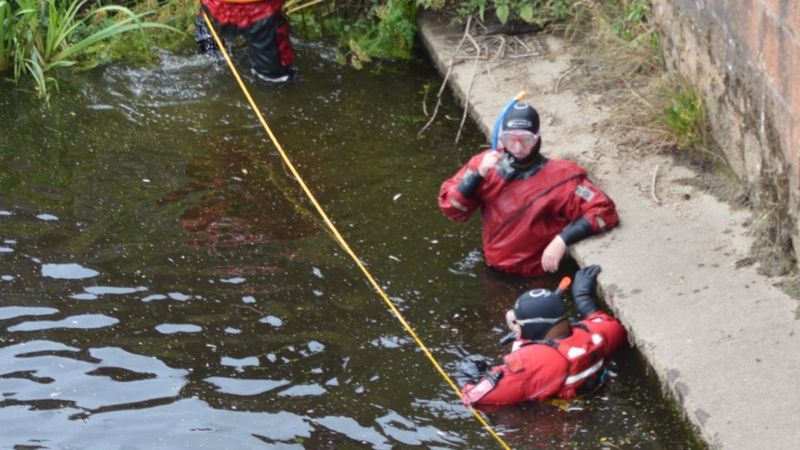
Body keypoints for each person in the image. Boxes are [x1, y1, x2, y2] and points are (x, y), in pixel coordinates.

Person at [438, 102, 619, 277]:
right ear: (501, 139)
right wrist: (477, 175)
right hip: (494, 267)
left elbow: (604, 211)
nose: (518, 148)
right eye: (510, 140)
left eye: (526, 140)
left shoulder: (562, 178)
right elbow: (451, 208)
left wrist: (562, 239)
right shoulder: (484, 165)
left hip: (538, 272)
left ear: (537, 137)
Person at [460, 265, 627, 407]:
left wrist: (475, 376)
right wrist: (582, 296)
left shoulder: (530, 363)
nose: (515, 328)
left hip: (553, 418)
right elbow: (610, 324)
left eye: (519, 324)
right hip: (589, 397)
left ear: (534, 326)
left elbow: (476, 398)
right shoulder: (593, 333)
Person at [195, 0, 295, 83]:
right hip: (261, 14)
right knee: (274, 78)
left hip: (216, 9)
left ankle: (209, 57)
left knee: (210, 57)